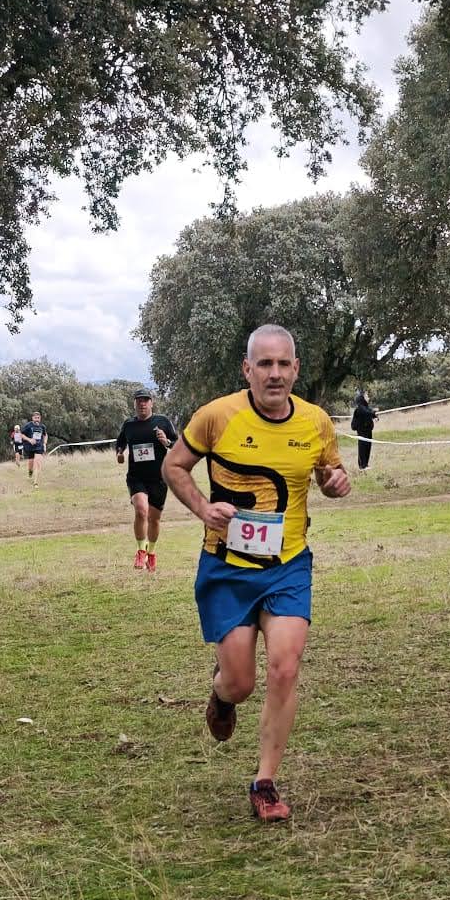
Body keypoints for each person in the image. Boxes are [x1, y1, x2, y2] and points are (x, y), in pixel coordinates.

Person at [161, 323, 349, 824]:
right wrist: (203, 508)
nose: (275, 373)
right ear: (247, 369)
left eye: (284, 364)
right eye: (264, 364)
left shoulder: (314, 422)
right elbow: (174, 467)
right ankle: (222, 694)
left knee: (285, 667)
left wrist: (335, 483)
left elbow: (328, 474)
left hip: (288, 566)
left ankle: (264, 782)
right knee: (241, 683)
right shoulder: (216, 416)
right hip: (228, 568)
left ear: (296, 369)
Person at [114, 388, 176, 570]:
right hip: (136, 477)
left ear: (151, 403)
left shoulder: (162, 422)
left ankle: (151, 553)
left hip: (159, 478)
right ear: (134, 403)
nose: (142, 403)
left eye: (145, 400)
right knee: (141, 511)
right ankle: (141, 551)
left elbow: (177, 444)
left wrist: (166, 442)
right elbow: (120, 443)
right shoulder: (129, 425)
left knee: (154, 520)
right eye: (139, 400)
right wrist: (119, 454)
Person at [350, 388, 377, 470]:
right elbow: (367, 412)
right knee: (362, 447)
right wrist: (373, 412)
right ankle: (362, 465)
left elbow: (370, 412)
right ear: (362, 399)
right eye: (367, 396)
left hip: (368, 430)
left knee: (368, 447)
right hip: (362, 431)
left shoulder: (366, 407)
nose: (368, 398)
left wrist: (375, 416)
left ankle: (366, 464)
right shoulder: (360, 409)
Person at [19, 412, 46, 480]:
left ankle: (36, 480)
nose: (37, 419)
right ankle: (30, 473)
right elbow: (21, 435)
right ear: (32, 418)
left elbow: (45, 435)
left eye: (38, 418)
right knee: (31, 463)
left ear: (40, 418)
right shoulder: (28, 425)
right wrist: (29, 439)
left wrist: (44, 443)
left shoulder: (42, 426)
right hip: (30, 447)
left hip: (39, 446)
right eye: (35, 418)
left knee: (37, 461)